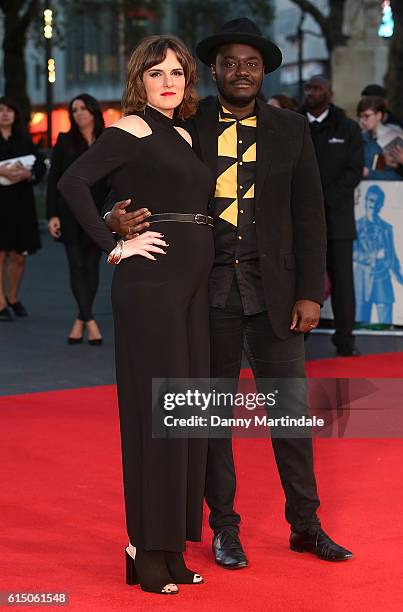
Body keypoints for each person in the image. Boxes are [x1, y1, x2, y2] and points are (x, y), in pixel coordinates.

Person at [106, 19, 353, 568]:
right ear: (212, 71)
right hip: (203, 294)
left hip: (276, 294)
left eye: (252, 64)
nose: (240, 71)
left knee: (289, 416)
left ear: (264, 72)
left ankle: (306, 525)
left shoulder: (291, 128)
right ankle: (225, 528)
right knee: (209, 421)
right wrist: (113, 218)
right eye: (229, 63)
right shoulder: (184, 124)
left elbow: (311, 216)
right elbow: (127, 179)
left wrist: (311, 292)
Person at [58, 35, 215, 595]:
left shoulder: (182, 132)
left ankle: (166, 547)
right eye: (156, 74)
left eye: (177, 72)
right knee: (155, 418)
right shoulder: (132, 128)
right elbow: (72, 182)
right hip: (151, 285)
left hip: (192, 287)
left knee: (187, 416)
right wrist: (112, 243)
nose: (169, 82)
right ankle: (145, 549)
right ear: (139, 81)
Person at [300, 75, 364, 357]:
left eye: (317, 88)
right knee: (300, 280)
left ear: (330, 93)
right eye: (308, 88)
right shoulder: (295, 123)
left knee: (342, 282)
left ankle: (345, 341)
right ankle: (296, 340)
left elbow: (354, 171)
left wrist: (325, 199)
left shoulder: (348, 128)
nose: (311, 93)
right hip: (301, 220)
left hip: (337, 220)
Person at [46, 94, 109, 344]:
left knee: (92, 268)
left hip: (97, 214)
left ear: (94, 111)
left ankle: (81, 319)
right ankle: (89, 320)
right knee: (76, 267)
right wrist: (52, 214)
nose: (79, 113)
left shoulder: (107, 140)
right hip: (69, 213)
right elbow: (54, 180)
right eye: (75, 110)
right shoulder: (64, 141)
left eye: (84, 108)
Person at [0, 97, 46, 322]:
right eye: (0, 110)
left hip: (21, 204)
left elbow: (39, 165)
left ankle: (13, 297)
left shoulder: (25, 139)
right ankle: (0, 302)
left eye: (9, 110)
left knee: (19, 255)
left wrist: (29, 174)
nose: (5, 114)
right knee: (0, 254)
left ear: (15, 114)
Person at [354, 185, 403, 324]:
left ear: (381, 204)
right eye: (370, 200)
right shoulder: (356, 226)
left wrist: (400, 277)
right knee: (360, 325)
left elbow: (392, 255)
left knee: (385, 324)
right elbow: (353, 253)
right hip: (362, 279)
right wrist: (374, 255)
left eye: (377, 202)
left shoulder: (387, 228)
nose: (373, 205)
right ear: (365, 202)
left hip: (383, 278)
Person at [357, 96, 403, 182]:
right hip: (362, 190)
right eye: (361, 116)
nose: (362, 120)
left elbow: (397, 176)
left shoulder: (392, 139)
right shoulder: (359, 139)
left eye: (367, 116)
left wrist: (368, 173)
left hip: (390, 191)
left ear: (379, 115)